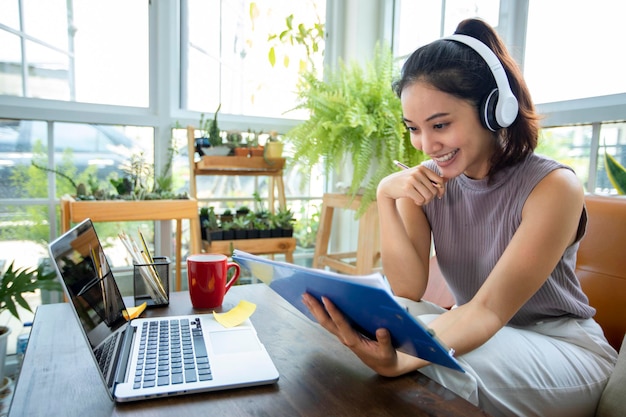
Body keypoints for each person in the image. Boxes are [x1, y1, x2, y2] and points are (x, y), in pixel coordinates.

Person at [302, 18, 618, 417]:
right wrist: (386, 196)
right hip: (486, 332)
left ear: (493, 111)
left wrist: (400, 359)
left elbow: (487, 310)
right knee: (377, 325)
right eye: (414, 129)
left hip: (564, 350)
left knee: (428, 363)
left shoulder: (553, 187)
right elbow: (408, 289)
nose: (426, 145)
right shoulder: (429, 183)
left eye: (440, 125)